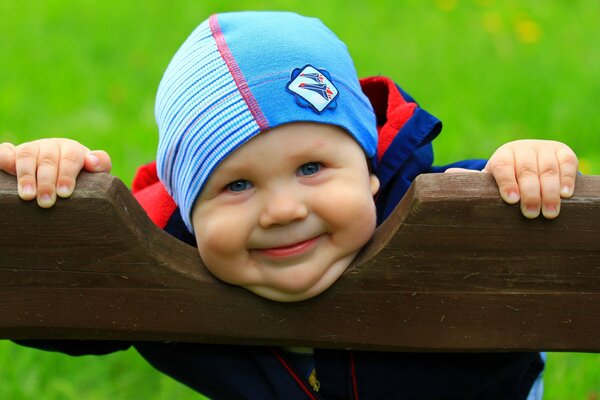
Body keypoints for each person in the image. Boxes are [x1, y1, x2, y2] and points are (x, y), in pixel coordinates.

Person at [0, 11, 578, 399]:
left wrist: (529, 166)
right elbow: (61, 302)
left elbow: (513, 217)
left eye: (310, 168)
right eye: (236, 186)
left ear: (370, 171)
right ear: (189, 211)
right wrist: (50, 197)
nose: (281, 210)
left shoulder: (429, 206)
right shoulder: (165, 250)